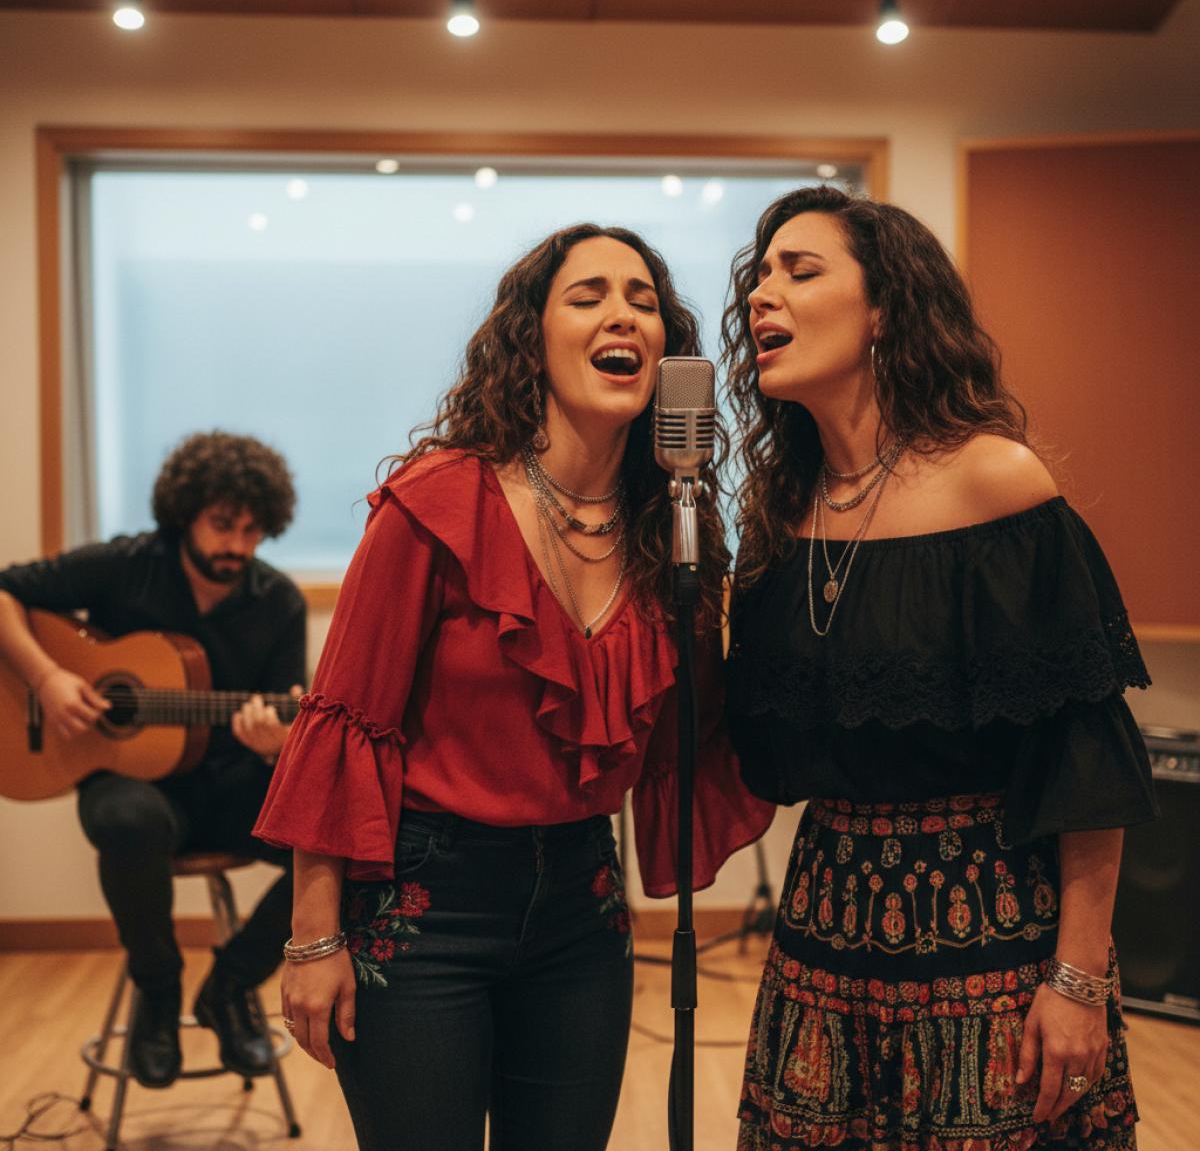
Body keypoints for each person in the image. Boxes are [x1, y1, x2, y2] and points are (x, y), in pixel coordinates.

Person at [253, 223, 775, 1151]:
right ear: (529, 338)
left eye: (644, 299)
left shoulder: (675, 535)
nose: (623, 313)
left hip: (583, 904)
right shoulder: (438, 503)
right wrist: (312, 937)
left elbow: (699, 734)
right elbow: (343, 724)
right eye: (589, 296)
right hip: (423, 906)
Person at [720, 187, 1159, 1151]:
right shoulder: (781, 513)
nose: (762, 295)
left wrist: (1079, 981)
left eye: (801, 271)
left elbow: (1084, 758)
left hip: (992, 932)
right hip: (823, 928)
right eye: (759, 276)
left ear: (884, 310)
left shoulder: (991, 479)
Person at [0, 431, 306, 1089]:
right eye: (223, 525)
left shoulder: (276, 601)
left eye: (253, 531)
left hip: (230, 786)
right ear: (185, 511)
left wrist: (278, 742)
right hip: (130, 785)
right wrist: (49, 678)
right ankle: (158, 994)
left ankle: (229, 989)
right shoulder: (128, 563)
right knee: (127, 821)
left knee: (345, 846)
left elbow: (291, 716)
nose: (237, 546)